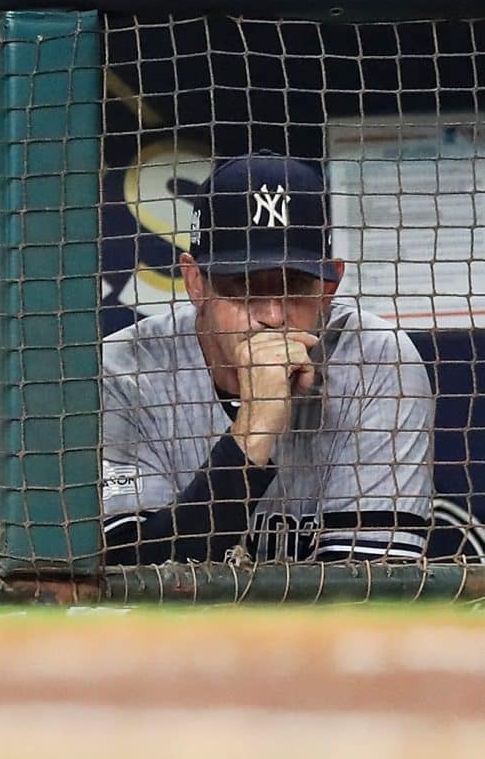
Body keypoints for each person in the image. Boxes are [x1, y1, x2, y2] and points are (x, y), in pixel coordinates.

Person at [100, 153, 432, 564]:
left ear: (330, 286)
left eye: (295, 285)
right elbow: (125, 580)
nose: (272, 316)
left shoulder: (376, 362)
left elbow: (373, 590)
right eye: (243, 286)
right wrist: (253, 431)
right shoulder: (126, 369)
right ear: (194, 282)